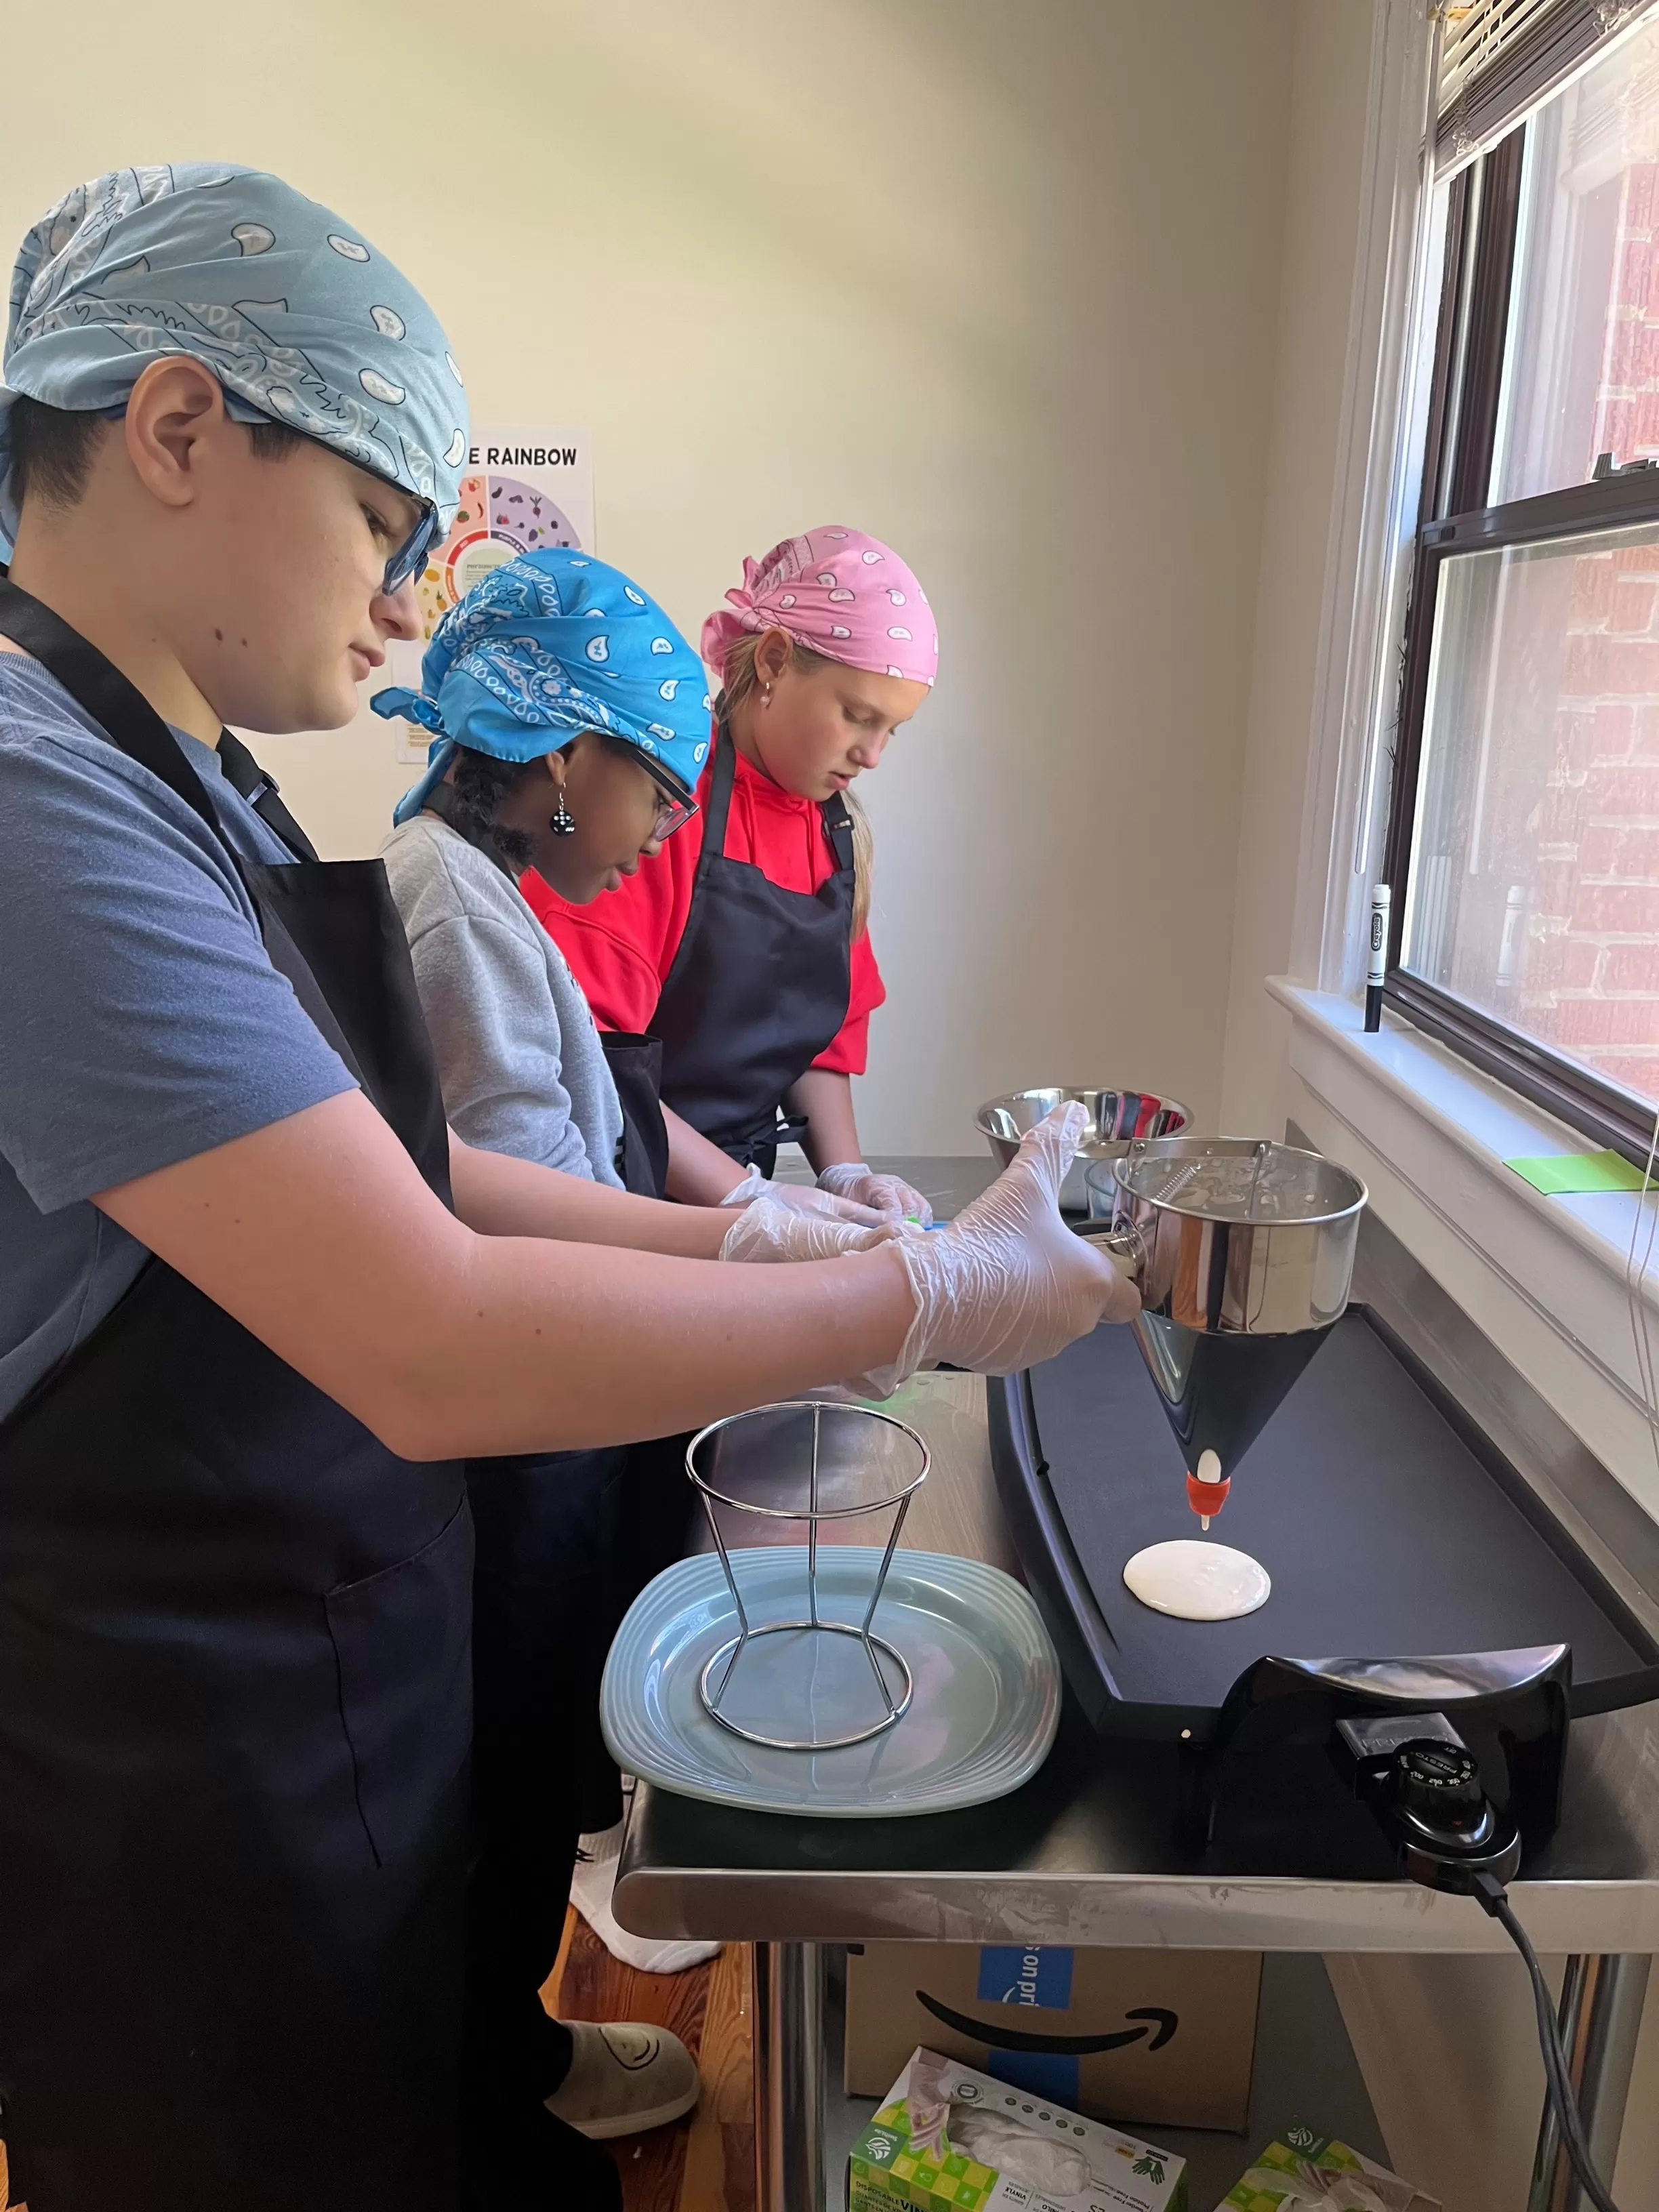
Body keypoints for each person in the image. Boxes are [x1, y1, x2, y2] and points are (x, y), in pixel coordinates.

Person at [0, 165, 1134, 2212]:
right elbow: (431, 1330)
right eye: (383, 523)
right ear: (172, 427)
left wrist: (750, 1228)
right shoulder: (34, 798)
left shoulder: (199, 784)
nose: (410, 604)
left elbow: (415, 1175)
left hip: (309, 1643)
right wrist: (921, 1300)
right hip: (172, 1719)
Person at [372, 546, 876, 2132]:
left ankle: (497, 2059)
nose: (667, 824)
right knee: (515, 1774)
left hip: (558, 1384)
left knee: (536, 1761)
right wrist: (760, 1256)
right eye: (653, 789)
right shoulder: (453, 907)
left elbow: (605, 1130)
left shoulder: (485, 892)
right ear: (558, 757)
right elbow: (521, 1195)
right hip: (525, 1418)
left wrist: (786, 1216)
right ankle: (492, 2083)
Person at [525, 525, 941, 1221]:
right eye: (856, 716)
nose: (872, 755)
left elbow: (822, 1042)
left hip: (736, 1197)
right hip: (622, 1194)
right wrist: (749, 1200)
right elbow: (592, 1060)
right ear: (774, 661)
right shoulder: (656, 807)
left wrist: (846, 1174)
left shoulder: (837, 837)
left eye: (890, 730)